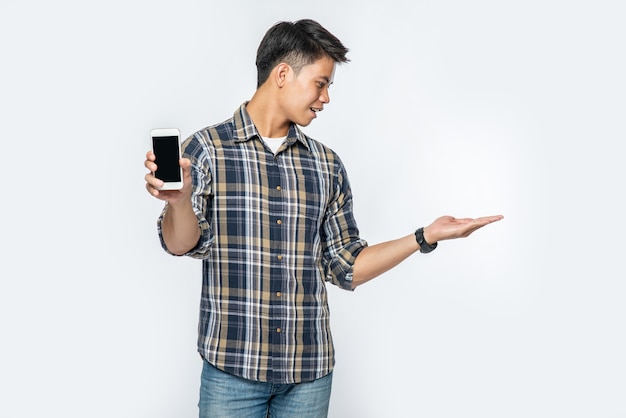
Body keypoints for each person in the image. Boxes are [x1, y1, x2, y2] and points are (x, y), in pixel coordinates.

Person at [144, 18, 503, 418]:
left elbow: (348, 266)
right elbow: (180, 244)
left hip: (309, 376)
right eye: (321, 82)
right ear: (283, 74)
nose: (326, 97)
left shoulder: (327, 165)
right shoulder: (207, 149)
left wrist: (425, 236)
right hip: (232, 372)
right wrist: (180, 200)